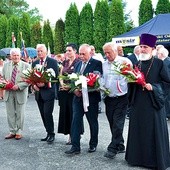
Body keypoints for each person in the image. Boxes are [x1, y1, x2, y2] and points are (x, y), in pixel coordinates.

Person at [125, 33, 170, 170]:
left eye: (145, 47)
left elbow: (167, 82)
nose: (142, 49)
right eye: (141, 46)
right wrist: (130, 81)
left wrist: (154, 88)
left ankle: (154, 161)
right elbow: (132, 83)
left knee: (152, 131)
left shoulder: (159, 63)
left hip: (153, 104)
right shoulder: (136, 64)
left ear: (152, 48)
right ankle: (137, 158)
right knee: (139, 130)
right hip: (138, 103)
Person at [65, 43, 102, 155]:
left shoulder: (97, 64)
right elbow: (73, 79)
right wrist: (75, 89)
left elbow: (96, 80)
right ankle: (75, 146)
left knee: (92, 121)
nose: (81, 56)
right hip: (77, 98)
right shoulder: (77, 64)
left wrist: (85, 89)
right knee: (75, 121)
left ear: (90, 53)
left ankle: (93, 144)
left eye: (83, 54)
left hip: (91, 98)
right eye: (80, 54)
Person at [101, 42, 132, 159]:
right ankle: (120, 145)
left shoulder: (125, 62)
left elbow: (131, 78)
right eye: (105, 53)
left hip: (122, 97)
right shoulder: (104, 64)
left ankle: (113, 148)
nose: (107, 55)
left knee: (118, 123)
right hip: (109, 98)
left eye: (109, 52)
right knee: (112, 122)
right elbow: (103, 78)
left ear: (115, 50)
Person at [32, 44, 59, 144]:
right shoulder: (34, 63)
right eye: (38, 51)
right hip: (38, 93)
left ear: (46, 51)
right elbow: (32, 76)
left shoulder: (52, 62)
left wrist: (45, 83)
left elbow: (55, 77)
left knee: (48, 113)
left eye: (41, 51)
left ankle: (51, 134)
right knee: (43, 114)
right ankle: (48, 132)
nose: (39, 53)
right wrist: (34, 85)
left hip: (48, 92)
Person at [57, 43, 83, 145]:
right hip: (64, 92)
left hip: (74, 91)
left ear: (75, 51)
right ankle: (69, 135)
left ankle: (76, 135)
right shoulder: (65, 62)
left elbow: (80, 77)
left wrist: (70, 86)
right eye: (66, 50)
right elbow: (60, 75)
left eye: (70, 50)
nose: (67, 52)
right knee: (66, 113)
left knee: (74, 114)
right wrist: (62, 84)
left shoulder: (78, 62)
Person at [2, 48, 30, 140]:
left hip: (20, 92)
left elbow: (29, 80)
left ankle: (19, 131)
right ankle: (12, 131)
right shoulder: (5, 65)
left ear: (20, 56)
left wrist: (19, 86)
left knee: (20, 113)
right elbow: (2, 78)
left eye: (17, 55)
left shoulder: (26, 66)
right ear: (10, 56)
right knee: (10, 113)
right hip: (8, 92)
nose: (16, 57)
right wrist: (4, 83)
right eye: (14, 55)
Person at [157, 47, 170, 120]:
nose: (157, 55)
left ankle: (166, 114)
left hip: (166, 85)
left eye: (158, 54)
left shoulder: (165, 63)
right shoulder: (168, 60)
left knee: (166, 100)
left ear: (161, 54)